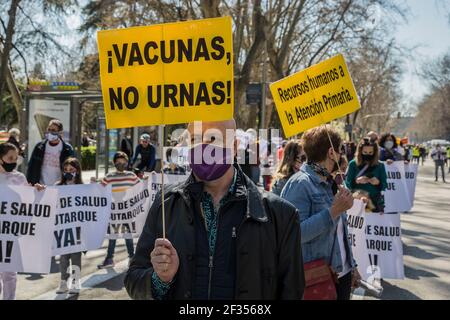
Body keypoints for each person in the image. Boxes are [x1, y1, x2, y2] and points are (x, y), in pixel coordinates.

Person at [124, 120, 305, 300]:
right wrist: (160, 279)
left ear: (234, 147)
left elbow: (291, 291)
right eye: (195, 139)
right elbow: (134, 279)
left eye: (213, 138)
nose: (203, 147)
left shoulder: (280, 215)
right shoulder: (166, 203)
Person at [281, 125, 360, 300]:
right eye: (340, 150)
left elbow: (340, 232)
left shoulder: (332, 182)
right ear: (331, 152)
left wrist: (351, 265)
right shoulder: (300, 184)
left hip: (341, 273)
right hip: (317, 277)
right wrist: (332, 212)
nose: (342, 156)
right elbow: (294, 234)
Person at [0, 142, 44, 300]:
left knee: (10, 273)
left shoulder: (19, 178)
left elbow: (28, 201)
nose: (13, 161)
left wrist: (38, 192)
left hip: (12, 232)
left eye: (15, 158)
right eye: (9, 158)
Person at [97, 152, 140, 268]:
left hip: (127, 212)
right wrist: (93, 182)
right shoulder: (109, 177)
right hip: (114, 212)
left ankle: (132, 258)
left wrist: (148, 179)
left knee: (128, 236)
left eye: (123, 162)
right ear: (114, 163)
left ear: (127, 162)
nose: (121, 164)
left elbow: (142, 188)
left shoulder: (131, 176)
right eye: (118, 162)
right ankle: (109, 258)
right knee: (113, 236)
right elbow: (98, 190)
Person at [55, 157, 84, 294]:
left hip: (77, 229)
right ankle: (63, 282)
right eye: (65, 170)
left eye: (71, 170)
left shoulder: (83, 187)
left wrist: (97, 187)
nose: (68, 172)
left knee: (76, 257)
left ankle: (76, 281)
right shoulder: (58, 186)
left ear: (77, 171)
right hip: (63, 228)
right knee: (64, 257)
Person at [345, 138, 388, 213]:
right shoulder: (353, 164)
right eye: (365, 152)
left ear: (375, 152)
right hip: (357, 201)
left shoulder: (380, 165)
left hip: (374, 203)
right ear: (360, 151)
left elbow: (384, 185)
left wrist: (378, 183)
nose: (367, 154)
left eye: (370, 152)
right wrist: (356, 181)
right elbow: (347, 183)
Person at [27, 119, 74, 185]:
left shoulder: (67, 149)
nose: (50, 132)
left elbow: (74, 168)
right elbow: (31, 166)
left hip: (60, 187)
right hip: (40, 187)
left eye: (53, 130)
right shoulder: (39, 147)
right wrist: (30, 183)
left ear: (60, 133)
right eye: (49, 129)